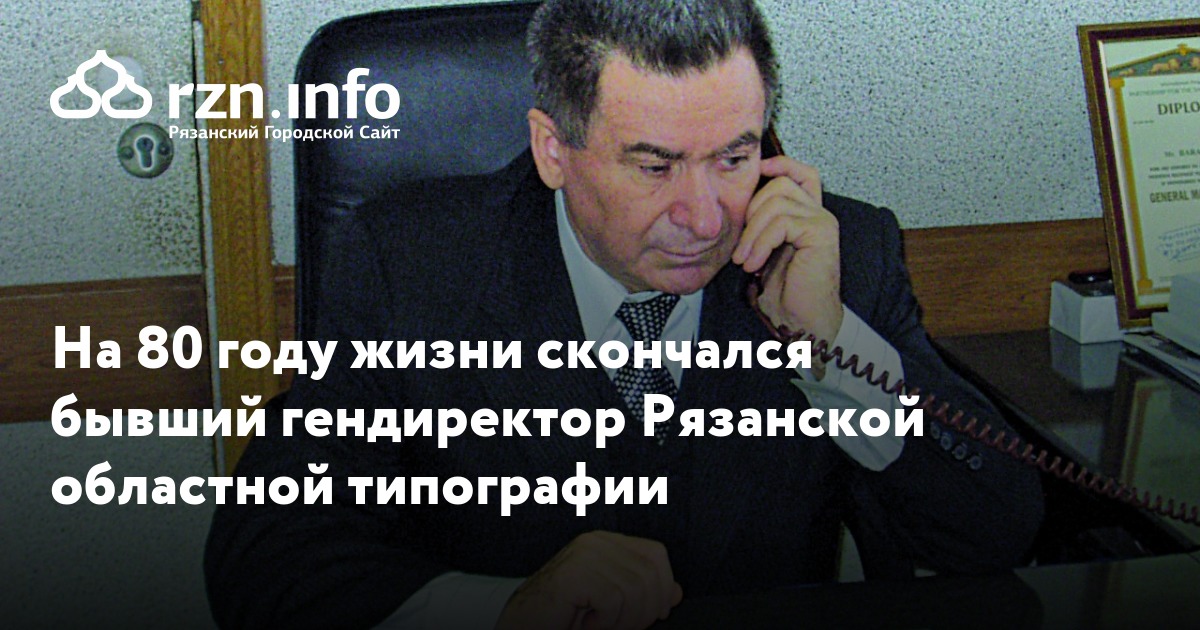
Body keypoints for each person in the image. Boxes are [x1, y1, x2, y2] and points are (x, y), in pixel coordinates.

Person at [205, 1, 1043, 628]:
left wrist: (830, 347)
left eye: (734, 157)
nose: (705, 219)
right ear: (553, 150)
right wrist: (503, 610)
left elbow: (997, 532)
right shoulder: (413, 267)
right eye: (654, 166)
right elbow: (265, 558)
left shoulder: (833, 255)